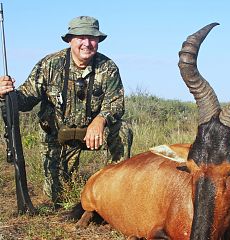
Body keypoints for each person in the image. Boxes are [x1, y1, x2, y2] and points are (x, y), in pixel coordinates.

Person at [0, 16, 133, 207]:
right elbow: (24, 101)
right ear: (70, 39)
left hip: (92, 133)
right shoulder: (49, 65)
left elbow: (116, 104)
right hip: (57, 136)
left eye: (92, 38)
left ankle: (114, 192)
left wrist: (100, 120)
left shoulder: (108, 67)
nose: (87, 43)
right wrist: (5, 93)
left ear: (98, 41)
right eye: (81, 37)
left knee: (122, 130)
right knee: (58, 199)